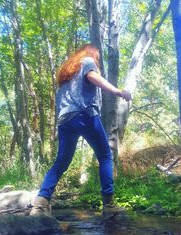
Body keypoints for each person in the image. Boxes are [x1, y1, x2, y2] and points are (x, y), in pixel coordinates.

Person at [30, 44, 132, 217]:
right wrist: (118, 91)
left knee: (61, 162)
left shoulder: (67, 74)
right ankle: (109, 204)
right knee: (105, 156)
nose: (97, 60)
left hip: (65, 120)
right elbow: (93, 77)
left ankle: (40, 204)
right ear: (91, 53)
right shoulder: (88, 61)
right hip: (84, 114)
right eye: (97, 56)